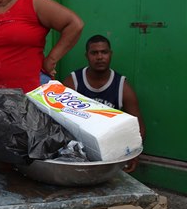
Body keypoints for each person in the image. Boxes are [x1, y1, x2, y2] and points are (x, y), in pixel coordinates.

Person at [62, 34, 145, 172]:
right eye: (94, 53)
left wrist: (133, 154)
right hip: (77, 146)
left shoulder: (122, 86)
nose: (100, 57)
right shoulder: (73, 81)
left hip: (109, 148)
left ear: (110, 54)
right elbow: (57, 119)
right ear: (87, 55)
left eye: (104, 52)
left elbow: (138, 126)